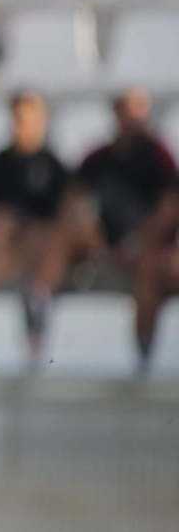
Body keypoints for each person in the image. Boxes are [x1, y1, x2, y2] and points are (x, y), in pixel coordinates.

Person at [77, 89, 179, 369]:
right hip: (105, 254)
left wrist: (138, 243)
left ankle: (144, 353)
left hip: (149, 254)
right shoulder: (97, 159)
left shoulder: (159, 157)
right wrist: (100, 245)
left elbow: (170, 208)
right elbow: (74, 203)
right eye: (126, 109)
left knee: (148, 271)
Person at [0, 92, 73, 359]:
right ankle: (4, 281)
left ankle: (39, 298)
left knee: (52, 236)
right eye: (20, 119)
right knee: (6, 224)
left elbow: (64, 213)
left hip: (42, 247)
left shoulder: (53, 166)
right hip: (5, 246)